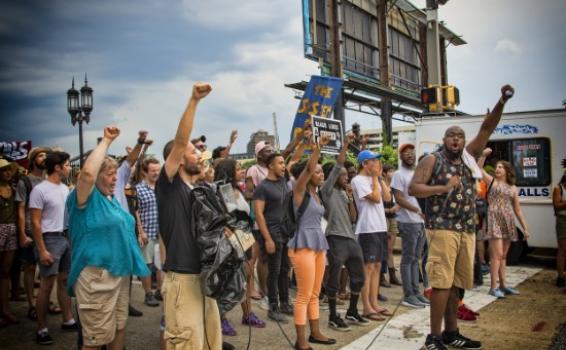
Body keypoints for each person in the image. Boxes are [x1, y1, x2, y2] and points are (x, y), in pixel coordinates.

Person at [409, 85, 514, 350]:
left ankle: (451, 333)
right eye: (451, 136)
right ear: (444, 140)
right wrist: (442, 188)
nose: (456, 139)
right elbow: (414, 188)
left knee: (458, 284)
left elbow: (487, 129)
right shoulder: (432, 160)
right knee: (442, 283)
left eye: (459, 135)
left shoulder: (469, 158)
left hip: (466, 228)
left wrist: (501, 101)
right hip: (441, 228)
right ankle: (433, 338)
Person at [67, 127, 150, 350]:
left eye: (116, 174)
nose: (115, 179)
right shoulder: (84, 199)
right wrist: (106, 141)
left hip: (119, 272)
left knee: (118, 327)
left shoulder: (111, 199)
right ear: (96, 177)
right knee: (96, 338)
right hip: (96, 277)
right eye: (109, 174)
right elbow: (86, 174)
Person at [156, 82, 223, 350]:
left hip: (204, 277)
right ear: (178, 159)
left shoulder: (197, 191)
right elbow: (181, 140)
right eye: (195, 152)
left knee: (211, 343)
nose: (201, 156)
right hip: (182, 279)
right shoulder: (169, 185)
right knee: (187, 344)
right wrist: (194, 101)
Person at [288, 135, 336, 350]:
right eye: (317, 171)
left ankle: (315, 333)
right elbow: (306, 169)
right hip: (303, 244)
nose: (320, 173)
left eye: (320, 170)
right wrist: (317, 149)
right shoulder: (299, 192)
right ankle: (301, 340)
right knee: (303, 295)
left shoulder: (316, 194)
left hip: (318, 243)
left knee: (315, 293)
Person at [320, 133, 369, 332]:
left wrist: (349, 196)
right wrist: (346, 145)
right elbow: (339, 165)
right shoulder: (327, 190)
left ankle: (352, 311)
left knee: (358, 276)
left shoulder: (343, 192)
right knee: (333, 277)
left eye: (346, 175)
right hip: (335, 238)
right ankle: (333, 316)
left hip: (350, 237)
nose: (345, 176)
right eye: (341, 175)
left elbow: (353, 217)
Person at [29, 151, 77, 345]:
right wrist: (41, 249)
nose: (69, 168)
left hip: (65, 238)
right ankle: (41, 329)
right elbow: (35, 222)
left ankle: (68, 319)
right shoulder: (40, 190)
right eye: (66, 165)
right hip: (49, 239)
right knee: (46, 284)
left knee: (64, 281)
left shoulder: (65, 188)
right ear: (57, 167)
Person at [214, 158, 266, 337]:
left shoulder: (237, 189)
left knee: (248, 275)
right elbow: (227, 218)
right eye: (238, 168)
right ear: (228, 172)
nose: (242, 170)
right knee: (228, 278)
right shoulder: (225, 190)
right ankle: (221, 317)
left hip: (245, 237)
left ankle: (247, 314)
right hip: (232, 240)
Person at [478, 148, 529, 298]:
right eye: (497, 167)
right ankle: (493, 287)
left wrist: (525, 228)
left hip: (508, 220)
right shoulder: (491, 182)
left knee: (504, 255)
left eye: (500, 167)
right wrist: (483, 155)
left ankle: (503, 285)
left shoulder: (513, 188)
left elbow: (518, 210)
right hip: (494, 219)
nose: (497, 169)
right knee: (497, 255)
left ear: (507, 170)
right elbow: (479, 169)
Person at [351, 150, 393, 322]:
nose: (378, 164)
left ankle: (374, 303)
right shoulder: (358, 180)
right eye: (374, 161)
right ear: (364, 164)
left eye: (378, 161)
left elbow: (388, 197)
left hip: (380, 226)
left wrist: (379, 178)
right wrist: (376, 178)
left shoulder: (374, 178)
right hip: (367, 228)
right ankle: (366, 307)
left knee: (376, 267)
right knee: (368, 268)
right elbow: (375, 198)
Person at [253, 152, 293, 323]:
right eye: (280, 163)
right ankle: (273, 307)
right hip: (272, 233)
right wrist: (267, 238)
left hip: (285, 232)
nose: (283, 166)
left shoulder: (284, 182)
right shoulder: (263, 187)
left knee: (285, 269)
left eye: (284, 163)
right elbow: (259, 214)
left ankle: (285, 303)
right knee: (274, 271)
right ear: (270, 166)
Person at [391, 144, 429, 308]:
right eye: (406, 153)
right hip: (408, 222)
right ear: (401, 156)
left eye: (412, 152)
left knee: (416, 259)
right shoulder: (398, 175)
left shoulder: (416, 174)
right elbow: (398, 198)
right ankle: (408, 295)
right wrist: (416, 209)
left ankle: (416, 292)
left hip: (420, 222)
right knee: (408, 259)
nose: (410, 155)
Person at [15, 147, 50, 321]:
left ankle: (45, 301)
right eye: (40, 155)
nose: (44, 158)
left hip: (48, 230)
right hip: (30, 229)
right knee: (29, 268)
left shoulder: (50, 180)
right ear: (33, 159)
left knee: (48, 269)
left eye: (46, 155)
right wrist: (22, 234)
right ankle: (31, 304)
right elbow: (21, 209)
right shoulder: (25, 181)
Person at [135, 157, 162, 306]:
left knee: (160, 264)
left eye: (158, 170)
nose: (156, 173)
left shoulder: (162, 187)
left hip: (161, 233)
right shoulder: (138, 189)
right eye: (153, 170)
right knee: (147, 264)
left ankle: (159, 290)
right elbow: (136, 211)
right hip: (147, 232)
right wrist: (141, 231)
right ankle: (148, 294)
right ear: (145, 172)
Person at [0, 159, 18, 327]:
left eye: (8, 169)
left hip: (11, 230)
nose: (7, 172)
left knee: (6, 271)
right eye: (3, 170)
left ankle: (5, 309)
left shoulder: (13, 189)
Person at [382, 164, 402, 287]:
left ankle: (392, 275)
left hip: (393, 217)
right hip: (383, 217)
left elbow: (400, 201)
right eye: (390, 171)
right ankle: (382, 275)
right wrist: (387, 210)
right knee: (383, 247)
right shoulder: (381, 186)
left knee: (390, 249)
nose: (392, 173)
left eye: (393, 170)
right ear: (384, 173)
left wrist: (395, 208)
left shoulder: (395, 187)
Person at [553, 173, 566, 287]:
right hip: (562, 220)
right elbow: (557, 205)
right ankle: (560, 277)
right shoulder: (558, 188)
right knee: (563, 249)